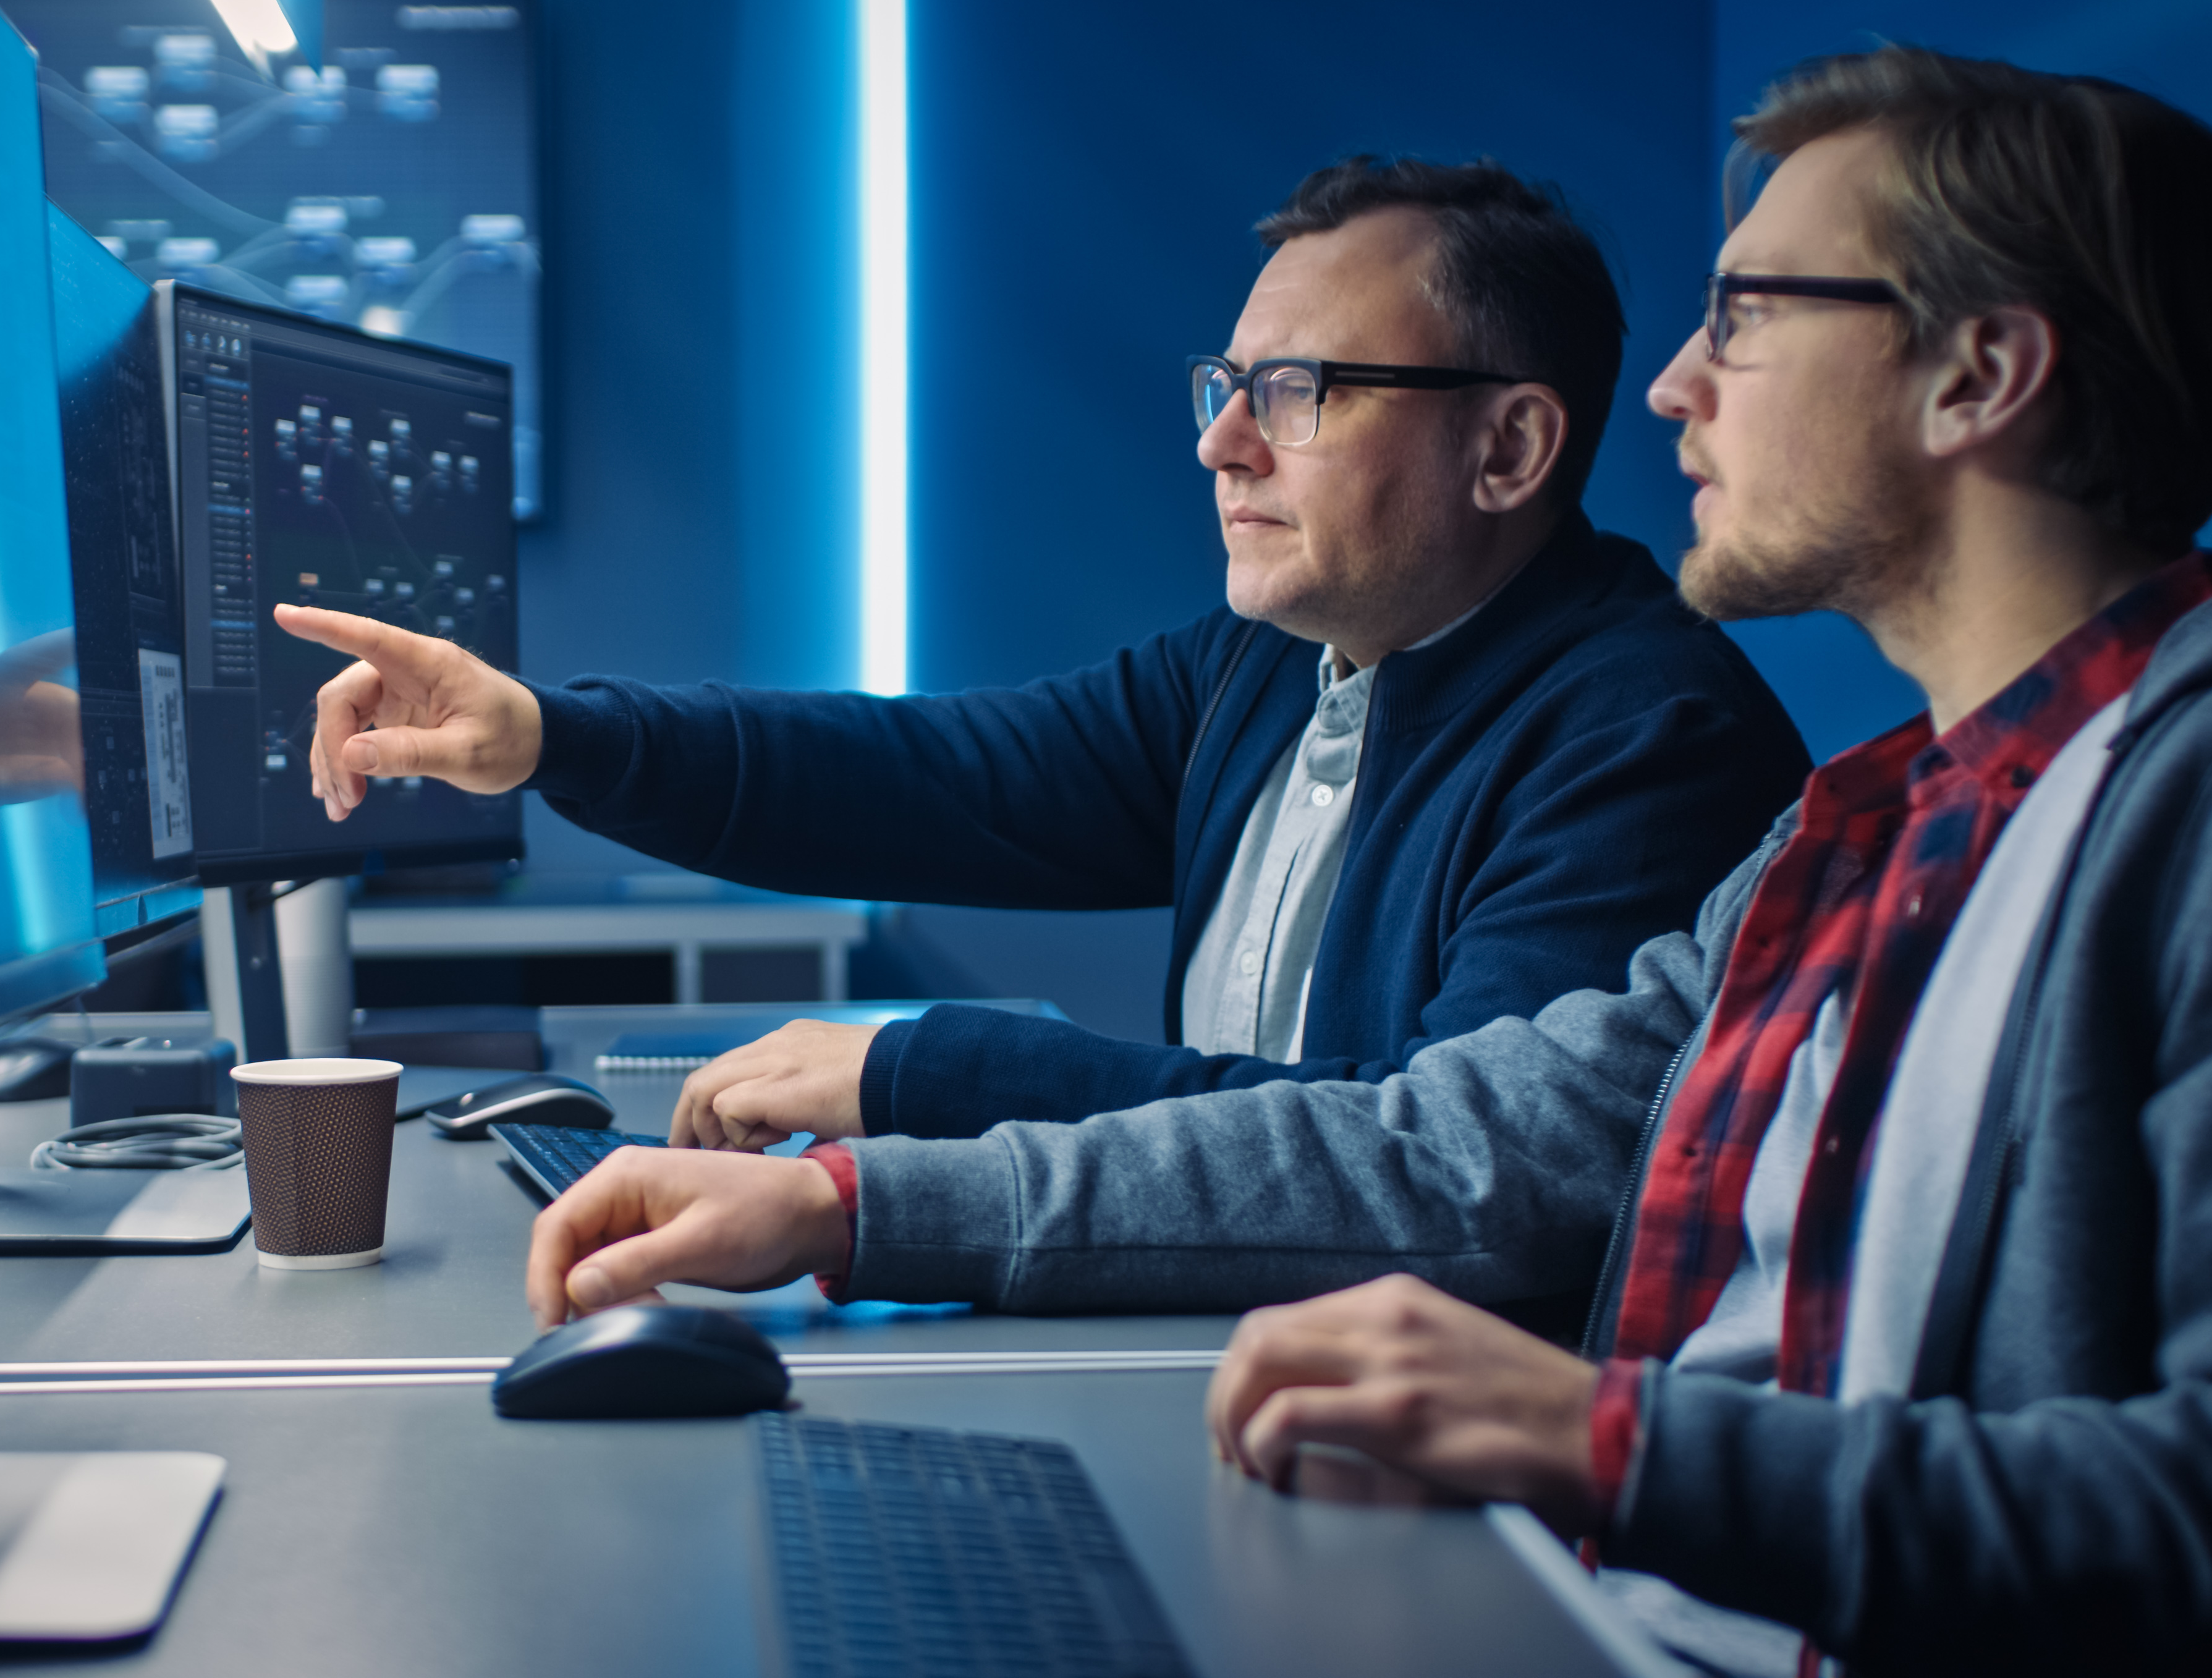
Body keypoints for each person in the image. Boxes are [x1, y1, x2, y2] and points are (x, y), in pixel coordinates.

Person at [511, 45, 2212, 1672]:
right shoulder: (1852, 832)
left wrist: (1605, 1444)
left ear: (1978, 376)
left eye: (1751, 318)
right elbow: (1452, 1147)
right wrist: (855, 1206)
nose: (1676, 386)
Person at [280, 159, 1806, 1202]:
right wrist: (546, 736)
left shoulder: (1642, 740)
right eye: (1226, 389)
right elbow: (929, 779)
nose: (1223, 444)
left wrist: (919, 1074)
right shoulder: (1268, 671)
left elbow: (1420, 1168)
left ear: (1512, 448)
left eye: (1299, 394)